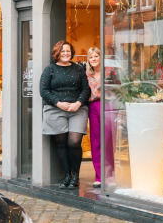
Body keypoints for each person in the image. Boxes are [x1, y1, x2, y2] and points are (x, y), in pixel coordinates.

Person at [40, 40, 91, 189]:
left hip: (77, 110)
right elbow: (44, 91)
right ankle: (67, 175)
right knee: (61, 143)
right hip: (55, 109)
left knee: (74, 141)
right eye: (62, 51)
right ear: (57, 53)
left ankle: (75, 175)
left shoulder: (78, 69)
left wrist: (78, 103)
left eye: (68, 51)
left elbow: (85, 89)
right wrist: (58, 103)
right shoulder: (49, 69)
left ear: (71, 53)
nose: (66, 54)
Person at [86, 47, 116, 188]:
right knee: (96, 141)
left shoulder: (109, 72)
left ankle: (110, 175)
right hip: (93, 107)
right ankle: (99, 176)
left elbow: (118, 87)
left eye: (96, 56)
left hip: (108, 105)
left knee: (108, 140)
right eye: (91, 57)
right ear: (88, 60)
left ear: (100, 57)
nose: (94, 59)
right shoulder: (87, 75)